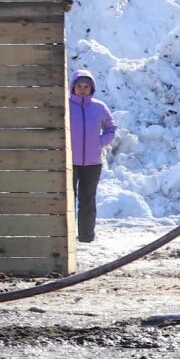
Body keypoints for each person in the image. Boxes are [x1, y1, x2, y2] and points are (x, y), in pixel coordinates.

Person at [67, 70, 118, 244]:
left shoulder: (99, 107)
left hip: (93, 162)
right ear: (73, 87)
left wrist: (100, 141)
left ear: (92, 88)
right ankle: (66, 235)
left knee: (87, 199)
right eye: (79, 86)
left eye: (86, 86)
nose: (82, 89)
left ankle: (86, 236)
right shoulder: (65, 106)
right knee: (67, 200)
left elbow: (111, 128)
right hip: (68, 162)